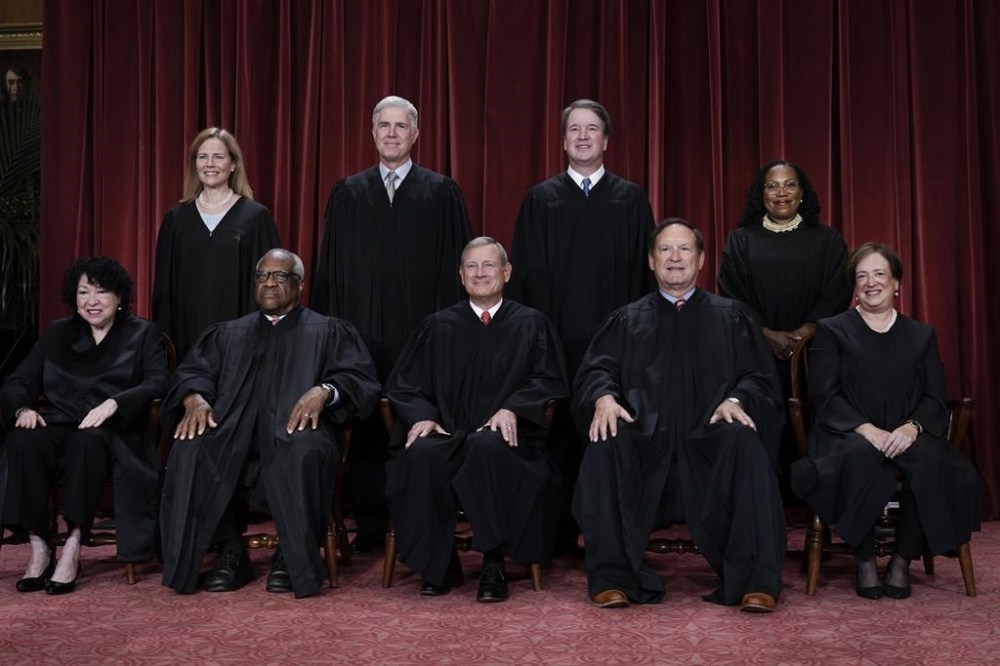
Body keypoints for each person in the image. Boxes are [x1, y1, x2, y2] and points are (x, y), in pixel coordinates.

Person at [573, 219, 786, 612]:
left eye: (684, 249)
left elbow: (759, 378)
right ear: (652, 262)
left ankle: (755, 581)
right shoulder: (627, 319)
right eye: (665, 250)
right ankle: (612, 576)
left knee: (744, 442)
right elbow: (596, 370)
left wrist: (736, 401)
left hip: (710, 438)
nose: (675, 258)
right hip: (645, 439)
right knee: (606, 442)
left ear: (701, 259)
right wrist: (603, 397)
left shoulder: (731, 316)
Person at [159, 249, 380, 598]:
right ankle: (230, 552)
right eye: (262, 276)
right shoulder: (228, 334)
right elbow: (192, 373)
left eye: (280, 276)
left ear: (300, 284)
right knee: (192, 447)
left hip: (296, 433)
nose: (270, 283)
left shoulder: (328, 331)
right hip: (233, 433)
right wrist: (194, 397)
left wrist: (325, 390)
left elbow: (359, 380)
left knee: (303, 449)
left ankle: (291, 558)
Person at [311, 95, 473, 550]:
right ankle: (368, 522)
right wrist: (330, 335)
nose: (392, 134)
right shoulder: (347, 193)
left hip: (421, 334)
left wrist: (449, 335)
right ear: (373, 132)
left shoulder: (441, 192)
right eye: (384, 125)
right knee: (362, 422)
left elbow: (458, 272)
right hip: (361, 332)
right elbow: (329, 270)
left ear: (416, 134)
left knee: (419, 418)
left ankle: (422, 521)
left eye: (401, 126)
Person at [791, 243, 980, 599]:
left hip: (907, 431)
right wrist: (865, 429)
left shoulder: (921, 335)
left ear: (896, 284)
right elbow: (824, 395)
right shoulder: (833, 330)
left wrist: (912, 428)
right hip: (847, 431)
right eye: (861, 276)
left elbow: (934, 397)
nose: (870, 283)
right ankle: (863, 557)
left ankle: (901, 559)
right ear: (854, 286)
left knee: (932, 463)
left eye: (879, 274)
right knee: (858, 457)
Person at [385, 237, 569, 602]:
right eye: (472, 266)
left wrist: (513, 407)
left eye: (488, 265)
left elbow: (551, 380)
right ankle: (440, 564)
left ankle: (494, 563)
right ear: (461, 275)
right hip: (449, 433)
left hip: (508, 443)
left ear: (506, 272)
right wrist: (423, 417)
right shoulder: (437, 326)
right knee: (421, 454)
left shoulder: (531, 324)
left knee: (487, 446)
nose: (480, 273)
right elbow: (403, 385)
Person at [508, 98, 654, 550]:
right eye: (575, 129)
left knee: (610, 433)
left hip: (615, 345)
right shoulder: (541, 199)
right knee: (556, 435)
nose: (584, 136)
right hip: (556, 339)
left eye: (593, 129)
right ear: (563, 140)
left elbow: (643, 276)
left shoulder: (630, 199)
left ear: (606, 140)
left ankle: (610, 532)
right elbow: (525, 280)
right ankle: (554, 532)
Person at [0, 257, 168, 594]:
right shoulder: (57, 333)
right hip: (59, 421)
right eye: (83, 292)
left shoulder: (143, 333)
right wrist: (22, 409)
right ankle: (39, 546)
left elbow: (158, 383)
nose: (91, 301)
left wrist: (115, 402)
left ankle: (74, 544)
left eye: (101, 292)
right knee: (24, 440)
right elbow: (19, 380)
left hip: (114, 430)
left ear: (119, 297)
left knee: (87, 442)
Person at [718, 160, 851, 498]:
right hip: (756, 350)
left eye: (789, 185)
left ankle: (814, 496)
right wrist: (767, 334)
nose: (781, 193)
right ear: (760, 194)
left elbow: (838, 290)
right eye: (772, 185)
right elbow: (732, 296)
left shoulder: (828, 241)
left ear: (802, 193)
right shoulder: (740, 242)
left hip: (815, 352)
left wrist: (807, 330)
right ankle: (762, 495)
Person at [152, 127, 279, 362]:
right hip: (187, 343)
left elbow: (270, 287)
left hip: (242, 344)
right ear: (195, 164)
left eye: (218, 157)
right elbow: (164, 290)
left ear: (233, 164)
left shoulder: (255, 217)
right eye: (203, 157)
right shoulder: (176, 220)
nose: (210, 164)